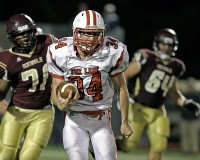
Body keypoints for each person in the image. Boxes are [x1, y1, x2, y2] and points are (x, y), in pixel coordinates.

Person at [46, 10, 133, 160]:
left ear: (103, 33)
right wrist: (61, 104)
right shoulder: (60, 52)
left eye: (95, 34)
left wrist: (125, 122)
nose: (90, 38)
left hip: (101, 119)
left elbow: (121, 87)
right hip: (74, 119)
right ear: (75, 32)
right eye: (86, 33)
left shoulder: (112, 51)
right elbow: (56, 88)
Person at [116, 28, 200, 160]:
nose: (166, 48)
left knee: (159, 146)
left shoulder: (176, 66)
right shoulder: (147, 58)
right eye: (163, 44)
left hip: (159, 111)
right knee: (128, 146)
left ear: (174, 46)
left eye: (169, 45)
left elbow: (172, 91)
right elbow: (124, 75)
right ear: (157, 44)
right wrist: (122, 95)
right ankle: (102, 146)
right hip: (139, 108)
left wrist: (185, 102)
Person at [0, 13, 57, 160]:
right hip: (17, 111)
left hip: (43, 113)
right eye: (21, 34)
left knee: (28, 156)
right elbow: (1, 93)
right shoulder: (7, 59)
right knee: (6, 153)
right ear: (12, 37)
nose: (25, 37)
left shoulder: (48, 42)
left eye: (28, 32)